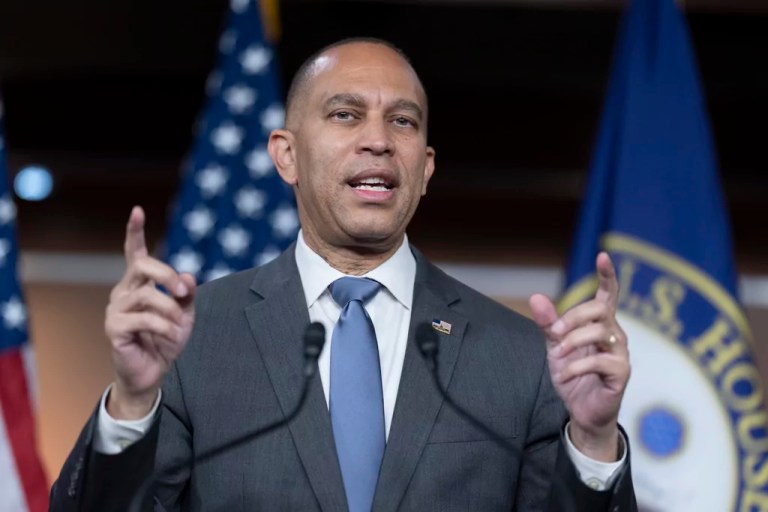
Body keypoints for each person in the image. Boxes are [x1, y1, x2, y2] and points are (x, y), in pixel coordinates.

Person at [50, 38, 636, 511]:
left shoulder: (519, 357)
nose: (378, 141)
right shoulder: (196, 337)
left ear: (425, 169)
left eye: (402, 122)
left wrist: (591, 441)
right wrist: (132, 404)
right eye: (345, 114)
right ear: (287, 155)